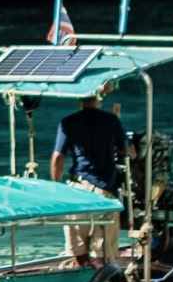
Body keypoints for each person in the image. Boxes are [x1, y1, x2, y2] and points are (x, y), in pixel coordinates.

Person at [50, 92, 130, 265]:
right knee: (102, 251)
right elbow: (129, 151)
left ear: (79, 100)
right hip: (104, 190)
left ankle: (82, 279)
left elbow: (58, 157)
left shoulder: (68, 122)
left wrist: (55, 187)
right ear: (99, 100)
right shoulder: (111, 120)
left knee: (78, 250)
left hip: (77, 190)